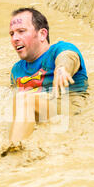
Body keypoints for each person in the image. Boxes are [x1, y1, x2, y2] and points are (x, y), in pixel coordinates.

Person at [8, 7, 88, 143]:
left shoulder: (60, 49)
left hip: (69, 111)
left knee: (25, 99)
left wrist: (62, 69)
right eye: (11, 34)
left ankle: (13, 150)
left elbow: (68, 57)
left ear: (42, 34)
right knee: (20, 99)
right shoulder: (16, 71)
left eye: (21, 31)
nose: (15, 38)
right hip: (39, 114)